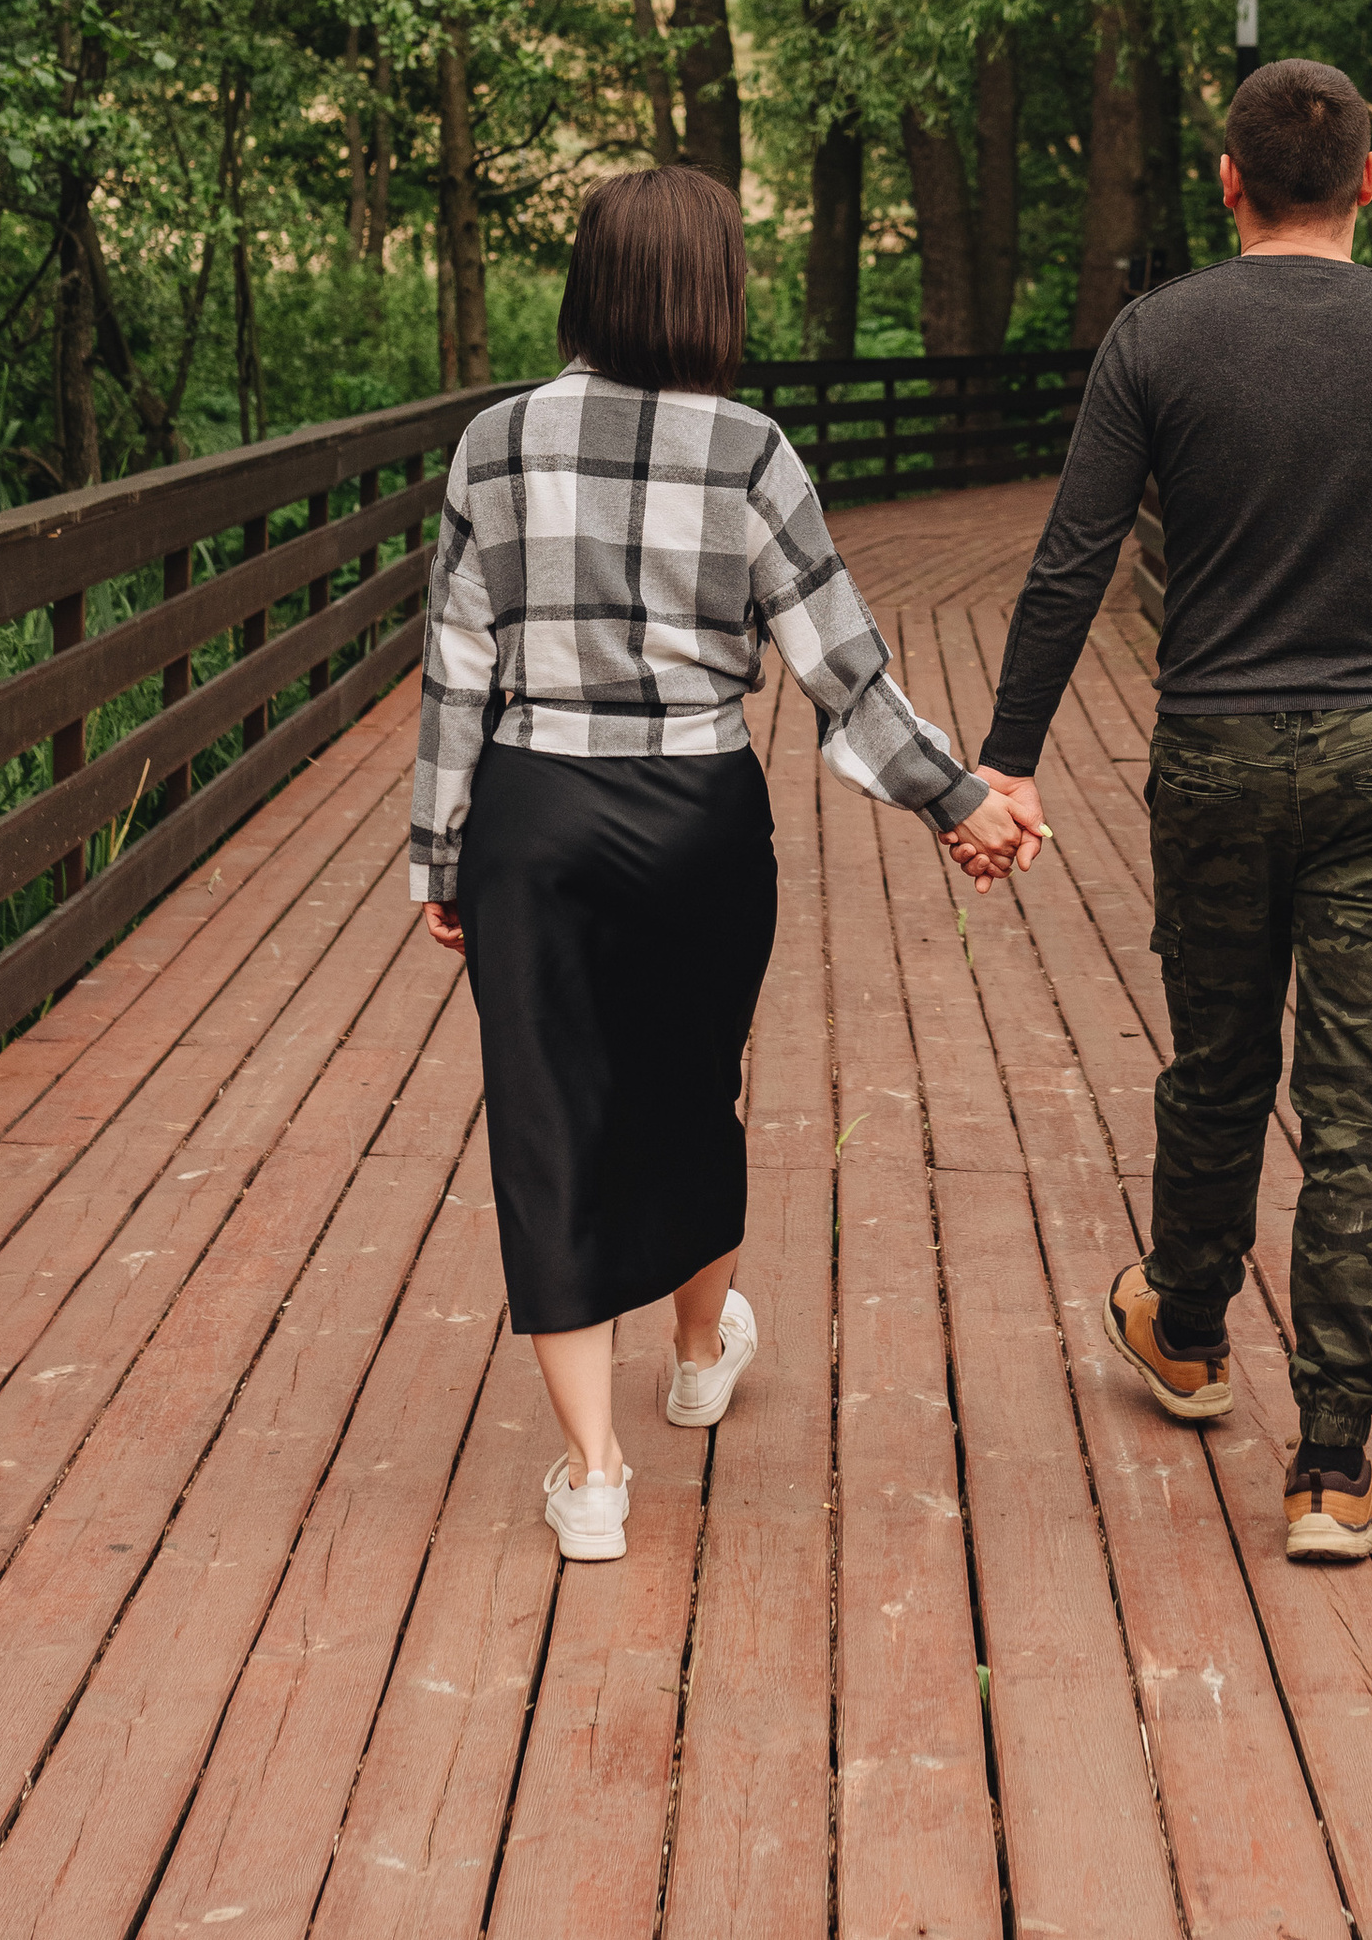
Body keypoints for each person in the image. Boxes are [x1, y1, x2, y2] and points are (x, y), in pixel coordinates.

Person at [413, 166, 1037, 1562]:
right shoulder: (752, 451)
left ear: (588, 282)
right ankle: (698, 1356)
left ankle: (594, 1475)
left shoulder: (493, 443)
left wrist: (442, 854)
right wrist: (959, 800)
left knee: (547, 1118)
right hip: (696, 812)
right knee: (695, 1089)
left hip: (533, 810)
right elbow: (840, 670)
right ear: (711, 290)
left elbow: (457, 665)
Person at [971, 60, 1372, 1566]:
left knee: (1219, 1063)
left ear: (1227, 182)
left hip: (1213, 747)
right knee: (1361, 1113)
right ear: (1368, 182)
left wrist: (1009, 756)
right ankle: (1333, 1465)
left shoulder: (1158, 337)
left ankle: (1192, 1333)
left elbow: (1073, 559)